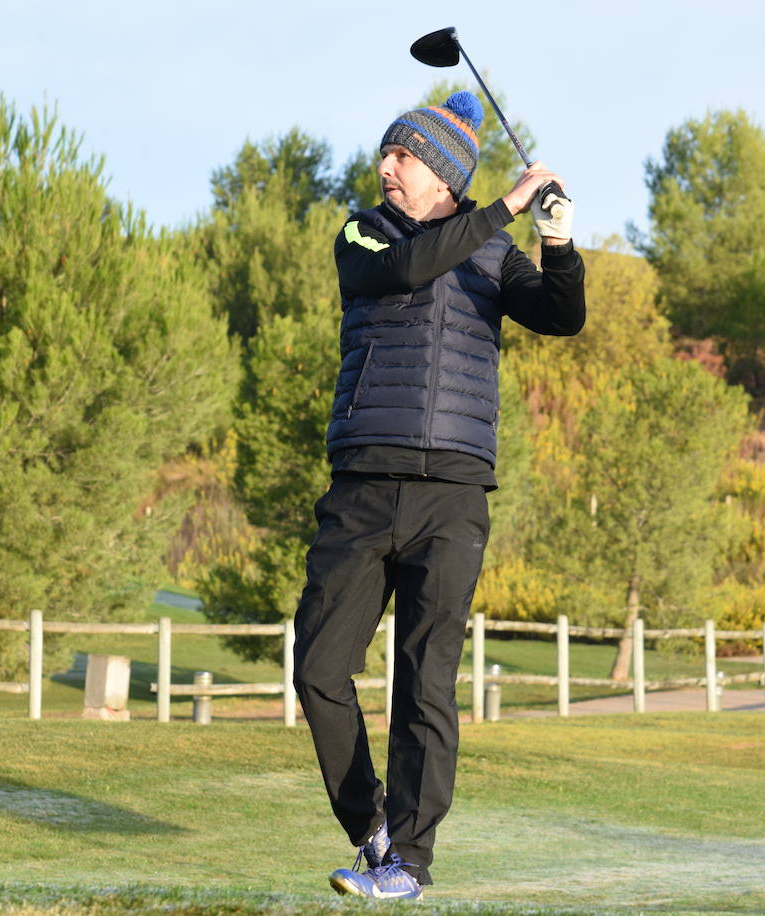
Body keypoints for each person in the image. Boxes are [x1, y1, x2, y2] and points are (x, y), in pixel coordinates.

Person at [292, 90, 586, 901]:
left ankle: (409, 867)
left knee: (424, 682)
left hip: (453, 494)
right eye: (386, 155)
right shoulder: (364, 234)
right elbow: (412, 266)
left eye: (404, 156)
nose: (386, 168)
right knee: (318, 666)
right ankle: (371, 827)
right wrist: (505, 206)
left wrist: (555, 243)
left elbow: (561, 317)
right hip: (361, 485)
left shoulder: (494, 253)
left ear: (444, 173)